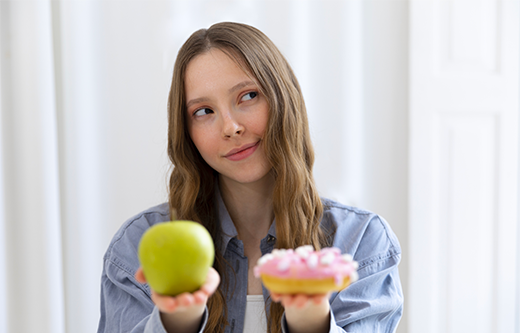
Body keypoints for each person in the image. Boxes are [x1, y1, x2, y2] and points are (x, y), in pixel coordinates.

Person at [97, 22, 403, 333]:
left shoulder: (360, 242)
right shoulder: (136, 247)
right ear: (187, 133)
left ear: (283, 99)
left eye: (248, 96)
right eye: (203, 111)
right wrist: (177, 321)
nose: (230, 127)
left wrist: (311, 321)